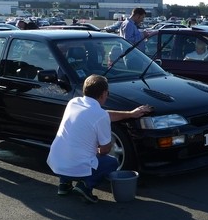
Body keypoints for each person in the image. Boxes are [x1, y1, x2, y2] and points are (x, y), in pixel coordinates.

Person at [47, 74, 151, 203]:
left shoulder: (73, 102)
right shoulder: (100, 116)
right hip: (75, 167)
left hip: (55, 163)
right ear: (103, 94)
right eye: (107, 93)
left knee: (71, 150)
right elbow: (105, 149)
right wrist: (103, 147)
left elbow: (102, 114)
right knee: (112, 162)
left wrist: (130, 114)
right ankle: (85, 186)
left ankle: (64, 185)